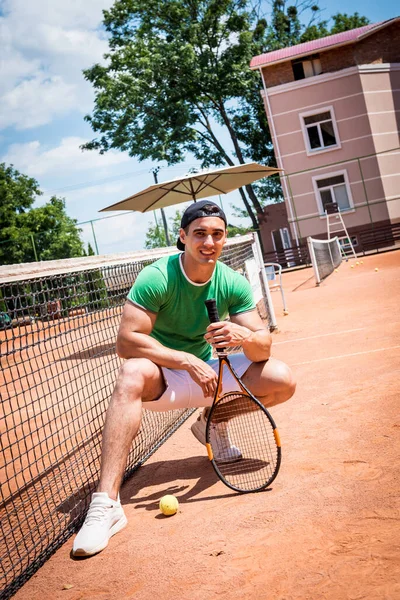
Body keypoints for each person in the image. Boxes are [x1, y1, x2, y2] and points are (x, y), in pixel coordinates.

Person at [72, 200, 296, 557]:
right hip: (165, 374)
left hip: (212, 372)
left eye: (217, 234)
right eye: (200, 233)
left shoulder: (232, 282)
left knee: (281, 378)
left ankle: (211, 422)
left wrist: (245, 338)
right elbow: (127, 341)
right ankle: (106, 506)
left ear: (224, 240)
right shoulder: (158, 277)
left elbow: (263, 349)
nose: (209, 241)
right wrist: (185, 359)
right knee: (130, 371)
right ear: (183, 237)